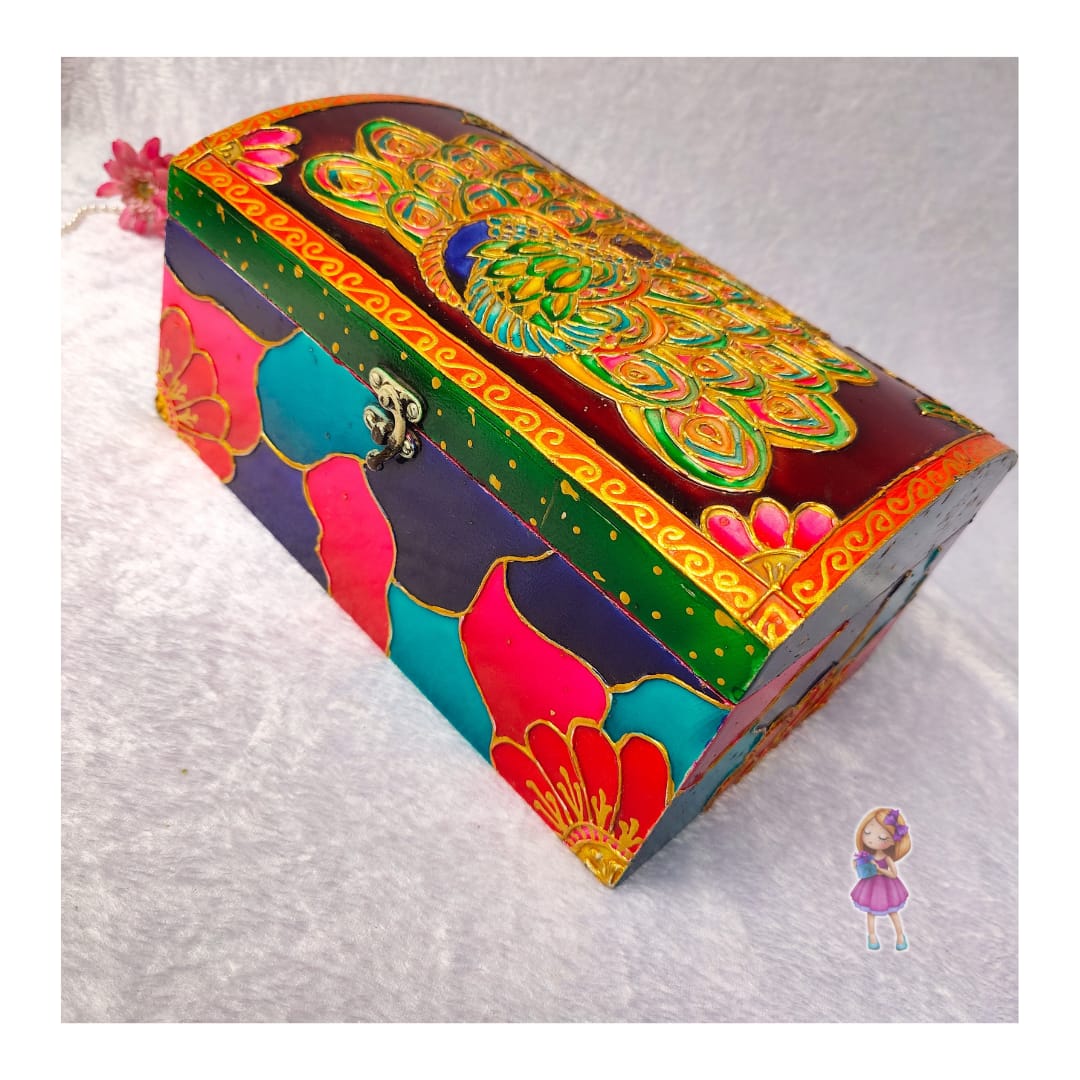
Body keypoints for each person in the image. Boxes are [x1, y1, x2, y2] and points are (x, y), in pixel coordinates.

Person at [851, 807, 911, 951]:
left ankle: (900, 936)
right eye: (867, 832)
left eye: (883, 837)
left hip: (887, 886)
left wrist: (879, 869)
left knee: (893, 912)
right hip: (870, 885)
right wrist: (858, 865)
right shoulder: (868, 856)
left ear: (893, 842)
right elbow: (859, 868)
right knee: (870, 912)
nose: (871, 839)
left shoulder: (887, 858)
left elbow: (894, 874)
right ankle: (872, 936)